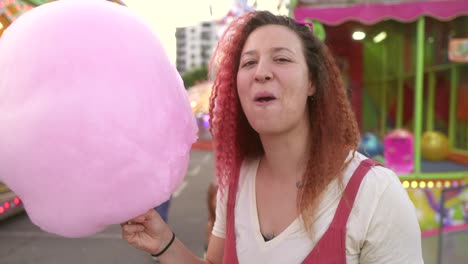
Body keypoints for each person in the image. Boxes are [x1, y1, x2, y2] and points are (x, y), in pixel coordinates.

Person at [121, 11, 423, 263]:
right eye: (249, 63)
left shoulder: (375, 194)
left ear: (312, 83)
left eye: (281, 59)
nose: (261, 72)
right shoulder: (235, 181)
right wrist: (164, 242)